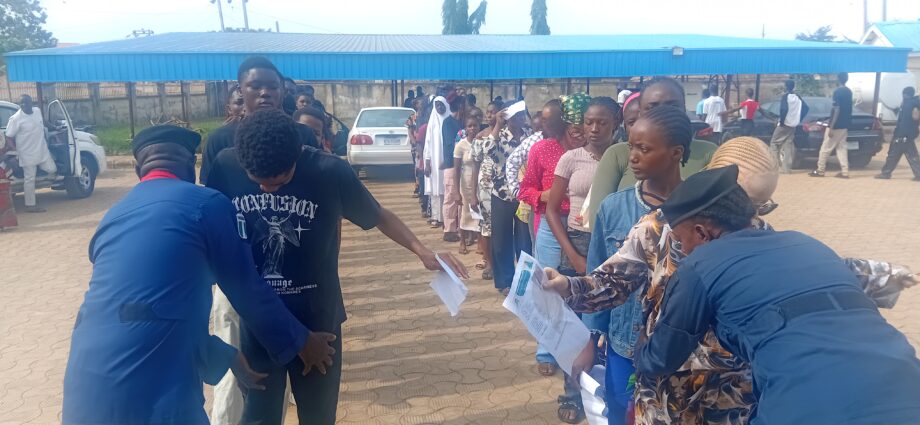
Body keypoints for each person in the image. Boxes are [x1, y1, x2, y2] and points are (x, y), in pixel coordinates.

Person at [207, 109, 467, 425]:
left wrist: (422, 251)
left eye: (280, 181)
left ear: (297, 155)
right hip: (261, 320)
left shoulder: (329, 171)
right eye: (257, 181)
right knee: (259, 416)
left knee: (318, 415)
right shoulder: (225, 167)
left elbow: (378, 214)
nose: (268, 190)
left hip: (317, 318)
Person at [62, 125, 327, 424]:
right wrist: (302, 341)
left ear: (138, 170)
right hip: (156, 392)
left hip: (83, 384)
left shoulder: (113, 216)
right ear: (192, 167)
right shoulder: (206, 205)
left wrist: (227, 356)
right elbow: (247, 289)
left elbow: (142, 311)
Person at [636, 165, 920, 425]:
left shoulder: (700, 266)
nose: (683, 250)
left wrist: (638, 344)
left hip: (807, 404)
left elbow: (661, 358)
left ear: (702, 233)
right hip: (906, 386)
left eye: (681, 241)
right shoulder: (808, 244)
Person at [583, 78, 718, 231]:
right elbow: (599, 222)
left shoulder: (709, 153)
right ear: (640, 112)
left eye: (672, 106)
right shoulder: (617, 154)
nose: (663, 113)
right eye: (652, 107)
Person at [200, 57, 319, 185]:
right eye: (255, 86)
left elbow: (316, 181)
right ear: (240, 91)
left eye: (273, 87)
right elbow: (211, 190)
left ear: (283, 91)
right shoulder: (219, 139)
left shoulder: (303, 134)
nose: (265, 93)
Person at [480, 99, 533, 294]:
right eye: (516, 115)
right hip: (501, 194)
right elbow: (485, 151)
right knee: (501, 241)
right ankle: (505, 282)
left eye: (522, 115)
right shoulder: (499, 136)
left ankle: (525, 281)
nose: (520, 119)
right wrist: (497, 125)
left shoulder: (529, 135)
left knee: (525, 241)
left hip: (524, 197)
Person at [3, 94, 55, 213]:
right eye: (21, 103)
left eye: (26, 102)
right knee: (29, 179)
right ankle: (30, 205)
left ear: (31, 103)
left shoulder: (37, 111)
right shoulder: (16, 118)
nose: (23, 105)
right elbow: (8, 137)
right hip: (26, 154)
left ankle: (40, 176)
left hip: (42, 151)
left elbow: (43, 122)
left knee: (52, 169)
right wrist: (16, 151)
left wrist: (54, 127)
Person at [470, 100, 502, 280]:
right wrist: (472, 194)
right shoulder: (480, 137)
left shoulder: (507, 135)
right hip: (485, 190)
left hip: (504, 190)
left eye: (493, 112)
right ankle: (489, 263)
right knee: (486, 228)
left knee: (503, 228)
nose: (489, 115)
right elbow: (475, 166)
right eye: (488, 112)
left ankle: (503, 263)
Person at [811, 72, 853, 178]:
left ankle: (820, 170)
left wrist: (831, 126)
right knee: (841, 148)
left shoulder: (837, 92)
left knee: (825, 148)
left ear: (838, 79)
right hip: (845, 124)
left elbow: (836, 109)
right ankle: (845, 171)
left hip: (836, 125)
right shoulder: (849, 92)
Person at [876, 87, 920, 180]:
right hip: (909, 135)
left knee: (893, 155)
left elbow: (904, 121)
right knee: (911, 155)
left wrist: (899, 134)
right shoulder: (915, 103)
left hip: (902, 135)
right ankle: (918, 174)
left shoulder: (907, 104)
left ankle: (886, 173)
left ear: (905, 94)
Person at [454, 116, 482, 254]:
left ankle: (480, 243)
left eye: (475, 125)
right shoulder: (461, 145)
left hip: (480, 183)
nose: (472, 128)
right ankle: (462, 242)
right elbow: (456, 170)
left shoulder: (482, 143)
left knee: (479, 213)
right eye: (469, 126)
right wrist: (456, 192)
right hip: (465, 183)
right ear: (465, 128)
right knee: (465, 212)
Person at [441, 95, 465, 242]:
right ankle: (449, 230)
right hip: (451, 164)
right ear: (461, 107)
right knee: (450, 197)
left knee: (462, 198)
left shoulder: (463, 122)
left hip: (464, 166)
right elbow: (451, 145)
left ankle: (462, 229)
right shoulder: (448, 123)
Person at [423, 96, 450, 228]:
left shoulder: (450, 120)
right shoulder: (432, 121)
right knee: (435, 190)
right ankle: (436, 217)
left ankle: (446, 219)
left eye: (441, 105)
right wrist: (427, 163)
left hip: (448, 161)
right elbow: (428, 143)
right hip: (434, 161)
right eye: (437, 105)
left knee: (447, 189)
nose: (439, 107)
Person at [769, 79, 805, 174]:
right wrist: (798, 118)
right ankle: (786, 169)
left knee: (774, 143)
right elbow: (805, 108)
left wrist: (781, 121)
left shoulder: (785, 97)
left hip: (784, 124)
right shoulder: (798, 97)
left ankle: (774, 167)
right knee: (788, 145)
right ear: (793, 86)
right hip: (793, 125)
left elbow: (783, 109)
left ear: (786, 87)